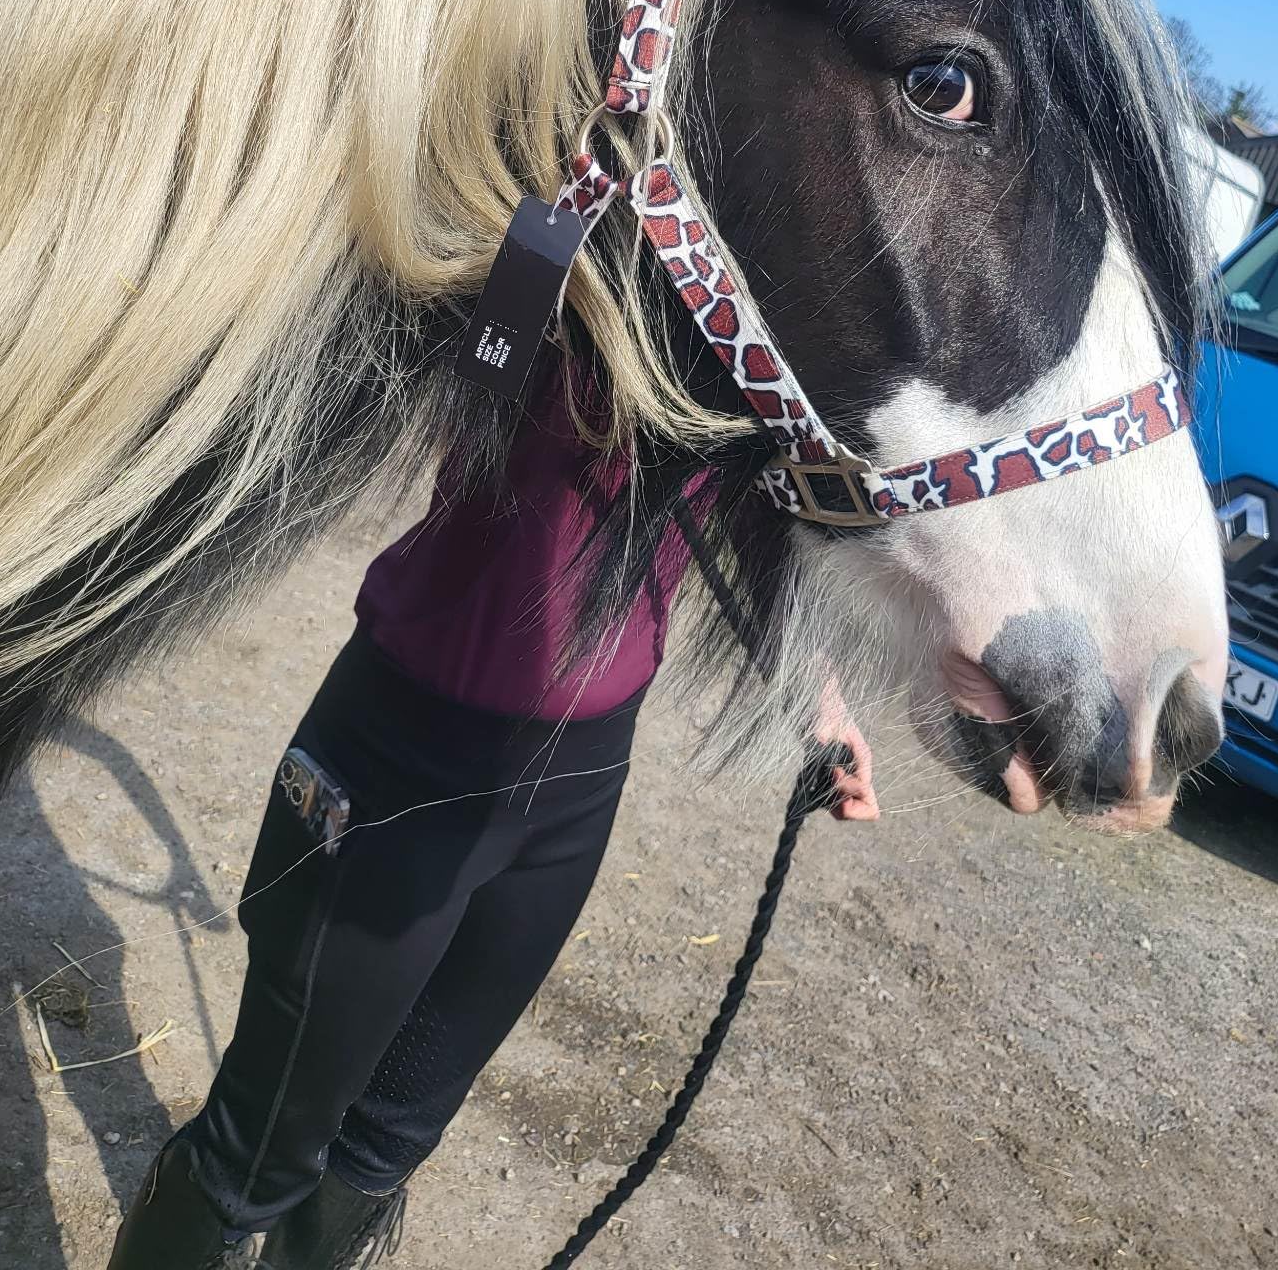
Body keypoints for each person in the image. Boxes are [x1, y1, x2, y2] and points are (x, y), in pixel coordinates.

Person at [108, 357, 877, 1269]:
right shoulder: (554, 236)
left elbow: (756, 508)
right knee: (259, 1150)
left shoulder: (739, 321)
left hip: (579, 782)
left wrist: (817, 705)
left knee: (390, 1141)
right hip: (405, 755)